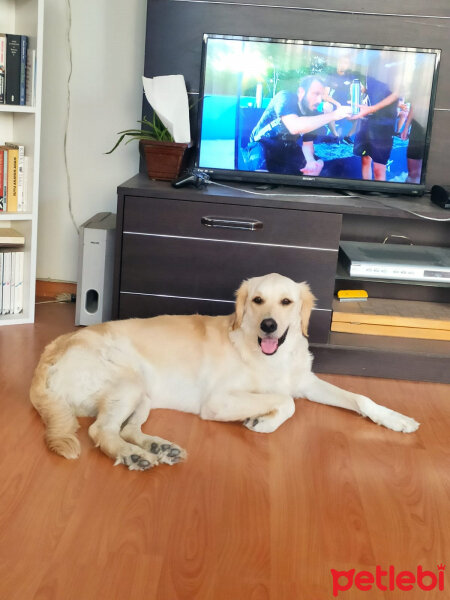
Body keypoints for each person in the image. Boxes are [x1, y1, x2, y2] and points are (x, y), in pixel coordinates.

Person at [247, 75, 352, 176]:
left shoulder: (311, 113)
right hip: (262, 144)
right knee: (261, 174)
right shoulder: (285, 97)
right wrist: (334, 115)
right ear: (301, 92)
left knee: (319, 162)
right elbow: (294, 126)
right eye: (316, 94)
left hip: (287, 148)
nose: (319, 100)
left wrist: (311, 162)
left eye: (321, 96)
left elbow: (307, 145)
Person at [350, 76, 399, 181]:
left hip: (384, 123)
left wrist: (373, 108)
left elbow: (397, 92)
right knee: (365, 159)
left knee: (379, 168)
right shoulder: (371, 63)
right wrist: (365, 91)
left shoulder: (395, 65)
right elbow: (377, 90)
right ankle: (365, 191)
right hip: (367, 121)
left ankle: (378, 195)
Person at [324, 55, 359, 143]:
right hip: (334, 105)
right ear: (337, 63)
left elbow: (355, 91)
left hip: (345, 106)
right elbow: (324, 96)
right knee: (327, 106)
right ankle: (336, 136)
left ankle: (347, 137)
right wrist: (336, 104)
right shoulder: (331, 76)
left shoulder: (351, 77)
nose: (342, 64)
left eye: (345, 63)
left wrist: (354, 101)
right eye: (341, 62)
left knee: (362, 117)